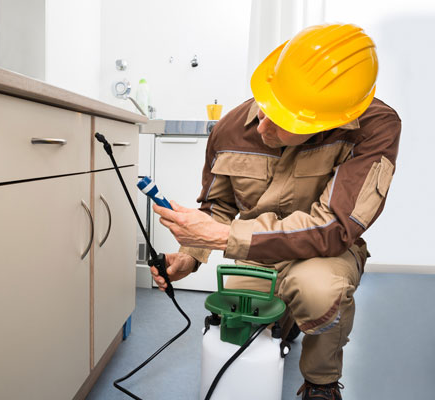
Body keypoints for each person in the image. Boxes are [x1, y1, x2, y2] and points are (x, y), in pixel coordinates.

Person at [150, 23, 401, 400]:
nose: (263, 125)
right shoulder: (231, 128)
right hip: (255, 254)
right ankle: (288, 319)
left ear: (326, 123)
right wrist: (189, 256)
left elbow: (334, 226)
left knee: (317, 291)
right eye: (267, 106)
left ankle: (321, 383)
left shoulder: (374, 128)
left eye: (284, 123)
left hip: (324, 253)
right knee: (236, 316)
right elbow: (219, 205)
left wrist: (222, 238)